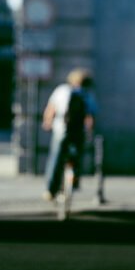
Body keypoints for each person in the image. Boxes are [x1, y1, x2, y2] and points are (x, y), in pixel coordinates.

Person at [41, 68, 95, 200]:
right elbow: (90, 116)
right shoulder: (86, 94)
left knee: (56, 158)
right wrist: (89, 131)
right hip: (78, 131)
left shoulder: (61, 90)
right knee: (77, 155)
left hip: (61, 129)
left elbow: (51, 108)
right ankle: (74, 181)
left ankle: (50, 190)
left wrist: (47, 122)